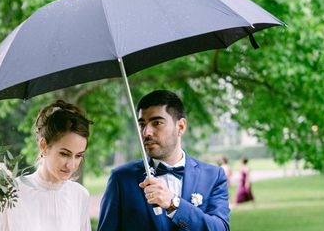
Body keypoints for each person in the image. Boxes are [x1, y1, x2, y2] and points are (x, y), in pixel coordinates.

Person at [97, 90, 230, 231]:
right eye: (142, 124)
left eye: (157, 123)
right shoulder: (121, 179)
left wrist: (174, 204)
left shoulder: (213, 176)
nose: (146, 132)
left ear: (180, 127)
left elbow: (220, 228)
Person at [0, 100, 93, 231]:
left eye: (79, 155)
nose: (71, 165)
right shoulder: (11, 194)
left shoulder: (80, 195)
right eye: (64, 154)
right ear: (43, 146)